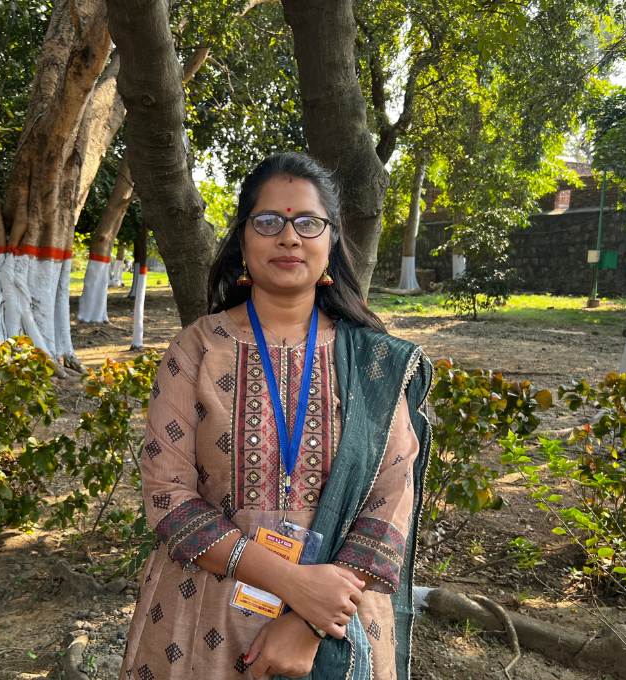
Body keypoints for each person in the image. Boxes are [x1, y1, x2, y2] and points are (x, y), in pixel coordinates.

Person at [119, 153, 431, 680]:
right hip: (203, 617)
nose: (289, 237)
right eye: (269, 222)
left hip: (339, 619)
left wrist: (308, 619)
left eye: (308, 223)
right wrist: (291, 582)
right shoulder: (196, 349)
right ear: (243, 241)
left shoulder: (373, 362)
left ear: (330, 243)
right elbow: (166, 497)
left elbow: (392, 498)